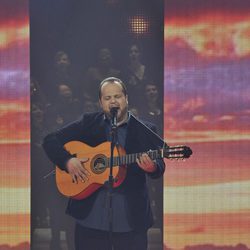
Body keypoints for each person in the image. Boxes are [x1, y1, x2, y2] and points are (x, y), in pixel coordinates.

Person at [43, 77, 165, 250]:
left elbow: (159, 166)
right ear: (101, 103)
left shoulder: (145, 129)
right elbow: (50, 140)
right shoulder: (89, 123)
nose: (113, 101)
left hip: (130, 218)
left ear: (126, 98)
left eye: (117, 96)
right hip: (90, 219)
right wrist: (67, 160)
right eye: (107, 98)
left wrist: (152, 167)